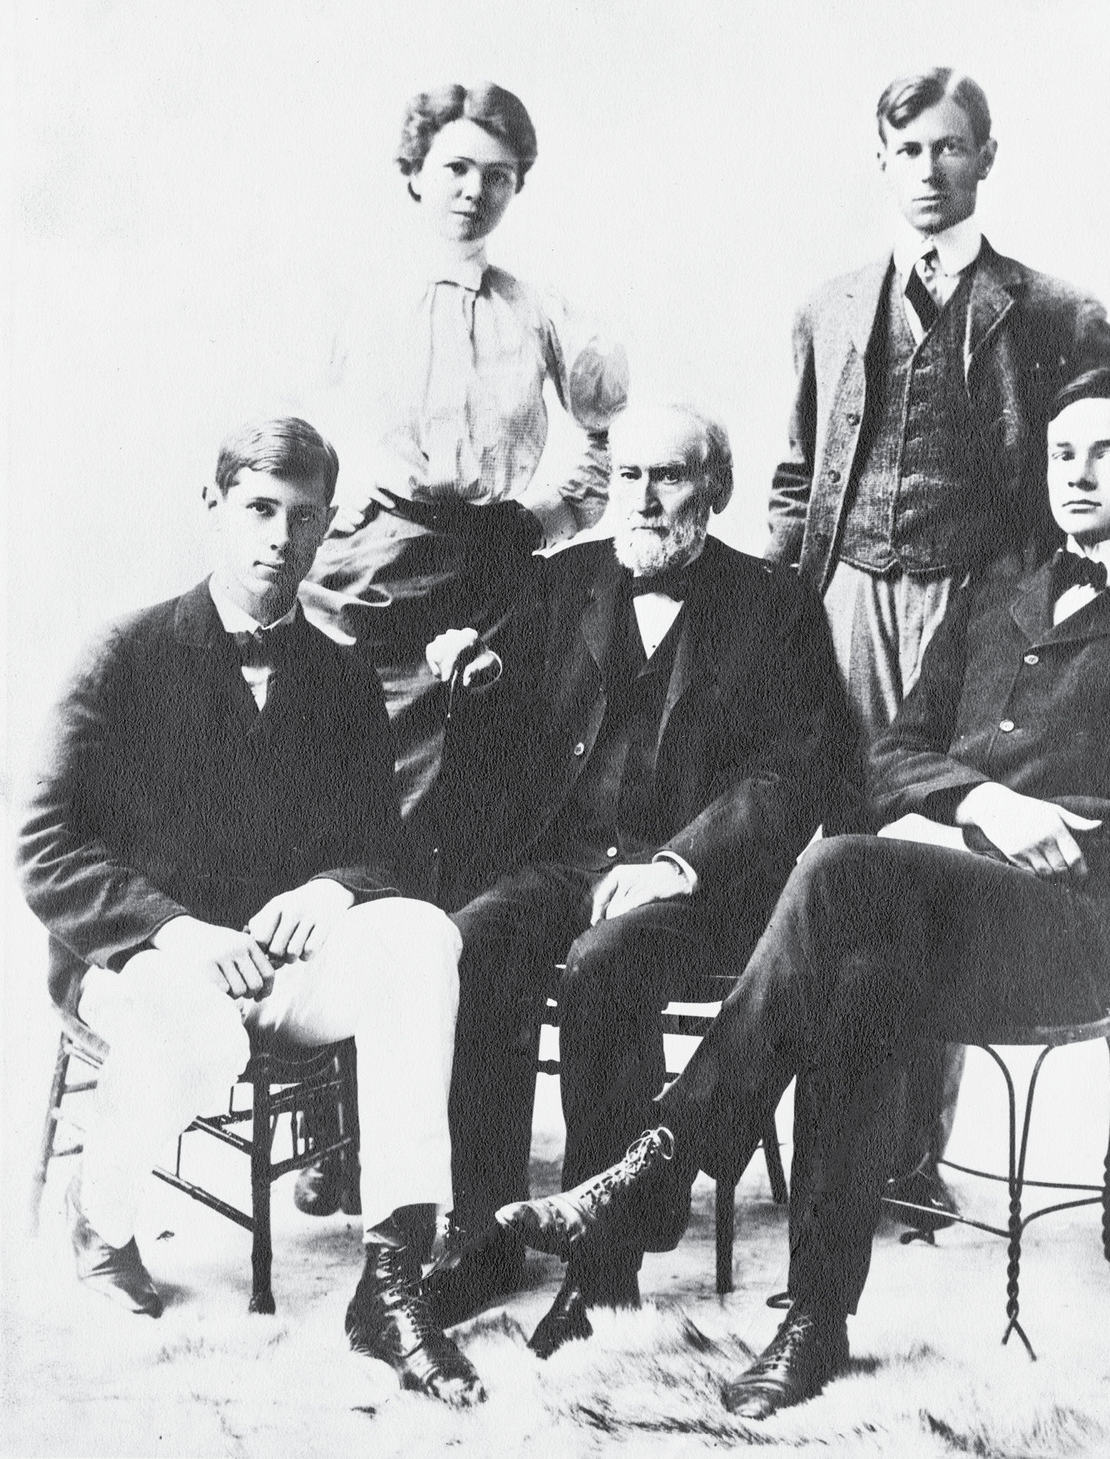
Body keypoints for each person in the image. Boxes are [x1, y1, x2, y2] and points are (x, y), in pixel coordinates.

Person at [496, 368, 1110, 1419]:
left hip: (1078, 930)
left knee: (843, 862)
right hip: (947, 906)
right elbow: (891, 757)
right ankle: (816, 1323)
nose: (1079, 474)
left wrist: (1037, 823)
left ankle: (663, 1162)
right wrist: (986, 805)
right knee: (860, 982)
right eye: (1063, 453)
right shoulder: (1003, 600)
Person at [17, 418, 484, 1407]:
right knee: (196, 1028)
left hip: (279, 966)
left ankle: (394, 1276)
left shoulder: (343, 676)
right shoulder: (125, 652)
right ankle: (100, 1221)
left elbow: (383, 849)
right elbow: (44, 844)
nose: (279, 537)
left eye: (303, 517)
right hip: (144, 959)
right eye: (260, 510)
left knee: (422, 936)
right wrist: (175, 931)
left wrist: (331, 888)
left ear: (326, 531)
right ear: (215, 510)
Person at [766, 67, 1110, 1216]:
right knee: (829, 846)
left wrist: (1051, 601)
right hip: (839, 608)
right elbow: (794, 481)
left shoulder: (1050, 311)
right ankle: (819, 1148)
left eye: (950, 149)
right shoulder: (829, 308)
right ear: (877, 161)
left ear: (987, 158)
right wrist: (779, 617)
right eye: (908, 150)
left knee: (940, 861)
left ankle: (908, 1162)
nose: (929, 172)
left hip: (976, 611)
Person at [429, 402, 840, 1355]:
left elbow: (793, 776)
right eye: (629, 479)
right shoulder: (560, 582)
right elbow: (504, 743)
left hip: (703, 889)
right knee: (472, 944)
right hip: (568, 862)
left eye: (671, 478)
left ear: (718, 492)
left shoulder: (775, 604)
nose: (645, 500)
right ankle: (485, 1232)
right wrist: (469, 683)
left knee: (607, 964)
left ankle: (601, 1268)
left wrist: (677, 863)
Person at [302, 82, 628, 857]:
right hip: (371, 568)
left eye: (498, 175)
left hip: (490, 569)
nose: (474, 191)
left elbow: (606, 434)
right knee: (340, 765)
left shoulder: (539, 311)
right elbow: (299, 432)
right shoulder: (358, 300)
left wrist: (540, 521)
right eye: (454, 168)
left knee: (468, 777)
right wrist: (335, 517)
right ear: (414, 172)